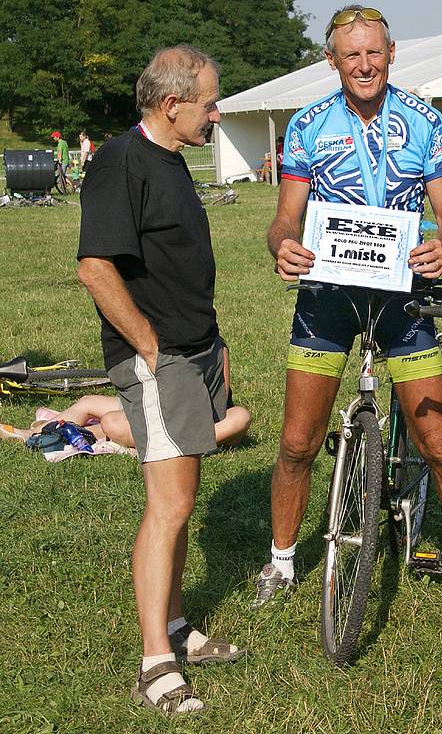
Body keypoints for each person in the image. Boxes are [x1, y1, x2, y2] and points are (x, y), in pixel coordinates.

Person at [259, 5, 442, 608]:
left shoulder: (426, 122)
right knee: (299, 441)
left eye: (373, 52)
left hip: (403, 296)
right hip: (327, 296)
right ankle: (280, 562)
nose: (363, 64)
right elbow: (283, 219)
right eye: (350, 54)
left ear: (392, 53)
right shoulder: (306, 125)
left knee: (438, 441)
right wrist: (283, 249)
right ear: (331, 61)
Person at [77, 44, 244, 715]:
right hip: (160, 357)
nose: (216, 112)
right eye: (209, 101)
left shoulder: (171, 160)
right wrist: (148, 347)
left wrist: (214, 342)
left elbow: (179, 266)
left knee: (182, 497)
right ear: (172, 104)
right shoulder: (120, 161)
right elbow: (95, 267)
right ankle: (155, 663)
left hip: (195, 350)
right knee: (168, 505)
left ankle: (176, 624)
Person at [0, 347, 251, 449]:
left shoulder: (216, 346)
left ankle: (62, 434)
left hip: (189, 423)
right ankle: (35, 434)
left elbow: (221, 396)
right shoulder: (164, 345)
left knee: (111, 423)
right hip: (158, 408)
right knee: (88, 402)